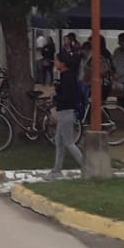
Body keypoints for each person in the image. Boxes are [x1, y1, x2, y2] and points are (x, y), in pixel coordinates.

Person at [49, 51, 84, 180]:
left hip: (67, 112)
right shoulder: (66, 76)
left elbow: (67, 97)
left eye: (56, 60)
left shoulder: (68, 77)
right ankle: (57, 170)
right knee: (59, 141)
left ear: (62, 63)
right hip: (64, 112)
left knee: (68, 142)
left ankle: (86, 166)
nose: (55, 63)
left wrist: (56, 98)